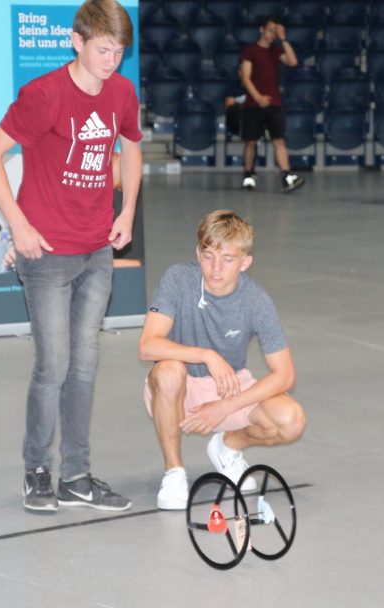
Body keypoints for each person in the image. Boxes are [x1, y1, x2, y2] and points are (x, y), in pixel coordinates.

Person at [0, 0, 142, 512]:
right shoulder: (44, 94)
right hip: (47, 254)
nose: (111, 61)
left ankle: (77, 475)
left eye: (118, 52)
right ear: (77, 41)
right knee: (53, 367)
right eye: (103, 50)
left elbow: (132, 146)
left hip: (97, 250)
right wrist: (18, 224)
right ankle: (37, 470)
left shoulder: (122, 92)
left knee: (84, 367)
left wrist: (127, 210)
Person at [138, 210, 306, 510]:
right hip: (178, 388)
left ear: (245, 262)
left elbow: (285, 376)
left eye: (228, 259)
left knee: (291, 420)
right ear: (197, 254)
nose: (216, 268)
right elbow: (148, 346)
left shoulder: (256, 301)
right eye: (208, 256)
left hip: (229, 387)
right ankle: (174, 473)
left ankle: (228, 447)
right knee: (168, 371)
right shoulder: (178, 279)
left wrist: (224, 407)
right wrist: (206, 355)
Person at [239, 16, 305, 193]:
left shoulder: (276, 52)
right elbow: (245, 77)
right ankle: (248, 176)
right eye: (270, 30)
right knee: (251, 142)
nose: (272, 35)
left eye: (275, 32)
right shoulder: (250, 51)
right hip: (253, 104)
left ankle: (287, 177)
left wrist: (283, 38)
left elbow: (293, 62)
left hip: (274, 103)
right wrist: (258, 97)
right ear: (261, 30)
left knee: (279, 141)